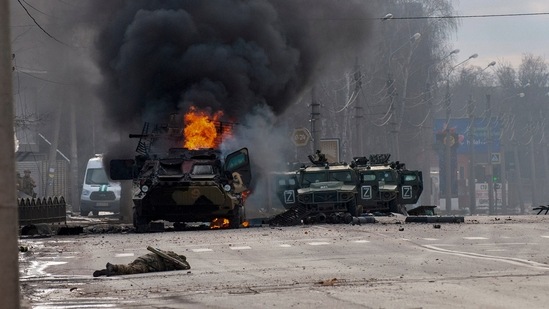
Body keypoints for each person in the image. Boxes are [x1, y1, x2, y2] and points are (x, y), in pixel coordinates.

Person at [93, 249, 190, 277]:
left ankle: (108, 271)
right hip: (150, 264)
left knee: (130, 268)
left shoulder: (167, 253)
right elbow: (186, 267)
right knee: (132, 269)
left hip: (145, 260)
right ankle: (114, 267)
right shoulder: (174, 257)